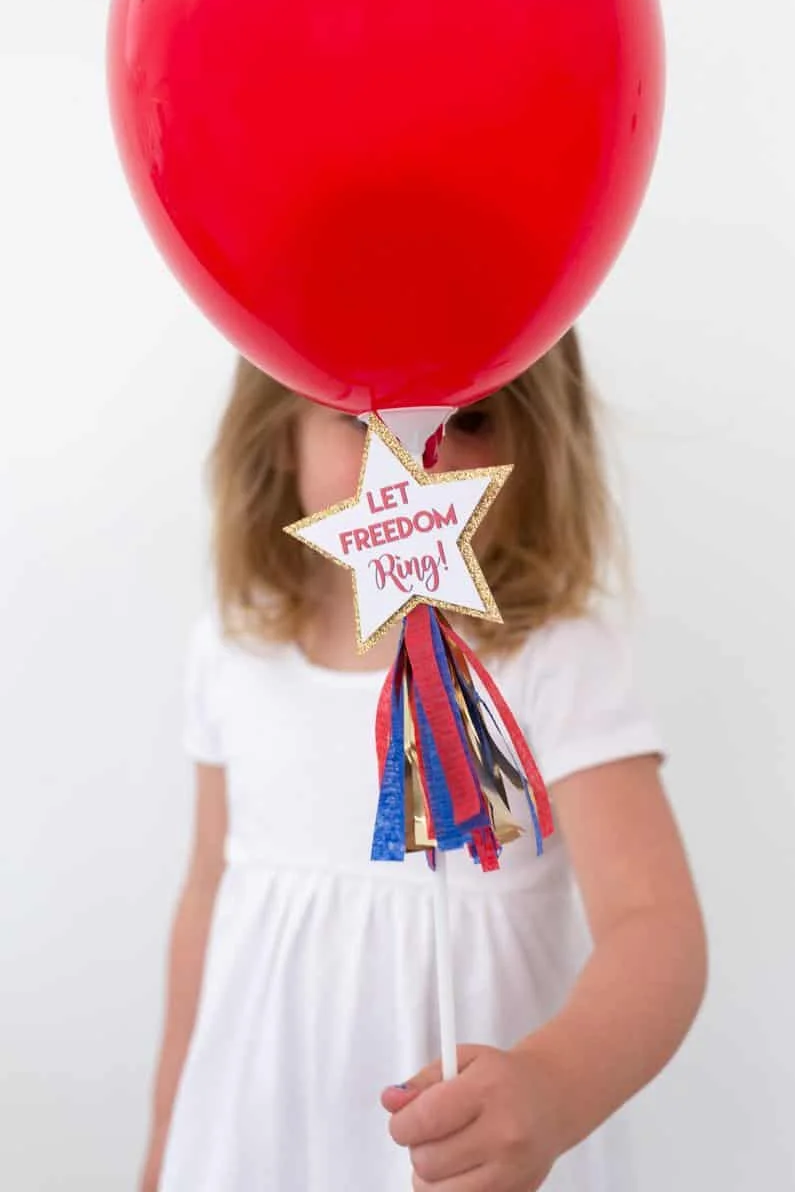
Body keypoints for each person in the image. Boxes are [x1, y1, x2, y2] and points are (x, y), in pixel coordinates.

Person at [141, 329, 707, 1192]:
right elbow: (207, 901)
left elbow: (655, 925)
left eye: (469, 418)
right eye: (359, 421)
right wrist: (166, 1136)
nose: (409, 460)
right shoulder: (232, 654)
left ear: (538, 446)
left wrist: (555, 1087)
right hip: (256, 1141)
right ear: (277, 428)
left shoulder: (553, 662)